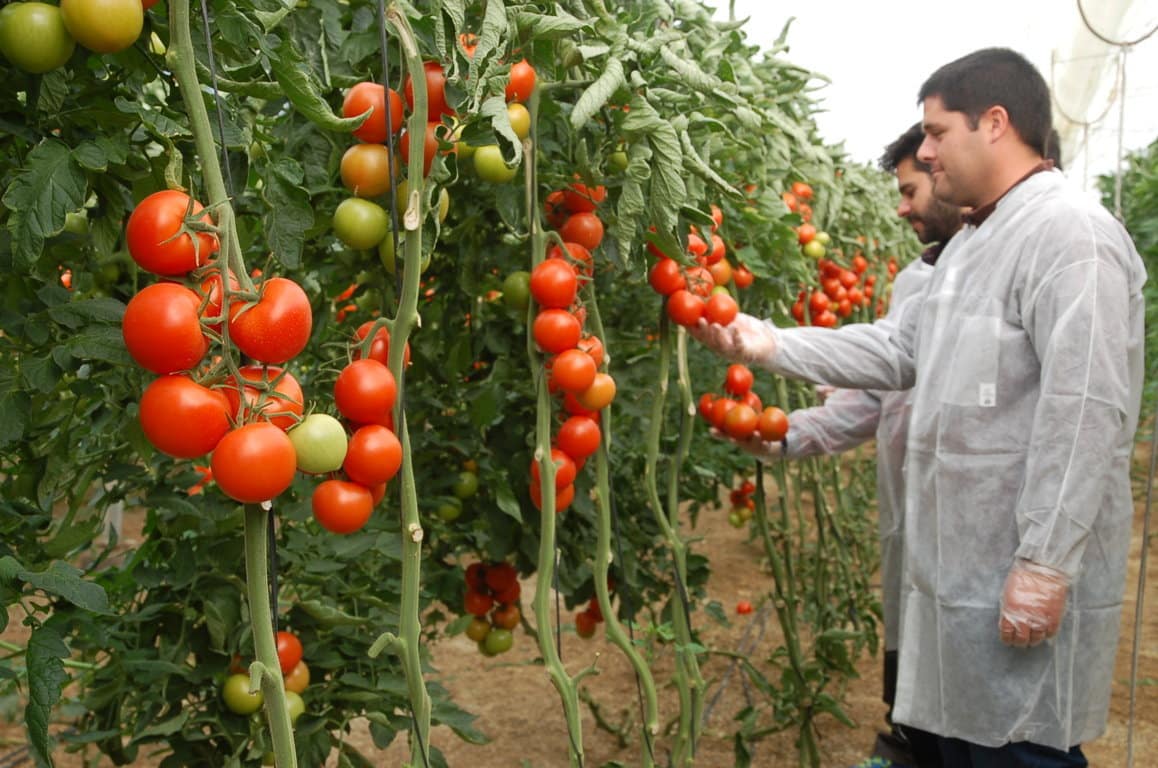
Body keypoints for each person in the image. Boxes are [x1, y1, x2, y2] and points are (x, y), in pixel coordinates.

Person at [694, 48, 1145, 768]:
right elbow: (899, 353)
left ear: (995, 123)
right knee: (961, 742)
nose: (927, 154)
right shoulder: (971, 244)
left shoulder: (1070, 235)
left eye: (937, 132)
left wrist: (1047, 562)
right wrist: (768, 343)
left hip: (1011, 567)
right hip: (957, 574)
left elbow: (1087, 406)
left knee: (1020, 747)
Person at [727, 122, 961, 768]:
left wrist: (774, 344)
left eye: (914, 188)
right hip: (915, 536)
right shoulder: (918, 280)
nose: (904, 207)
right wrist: (779, 435)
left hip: (987, 558)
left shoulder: (1015, 262)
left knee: (993, 736)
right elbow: (877, 396)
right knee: (917, 707)